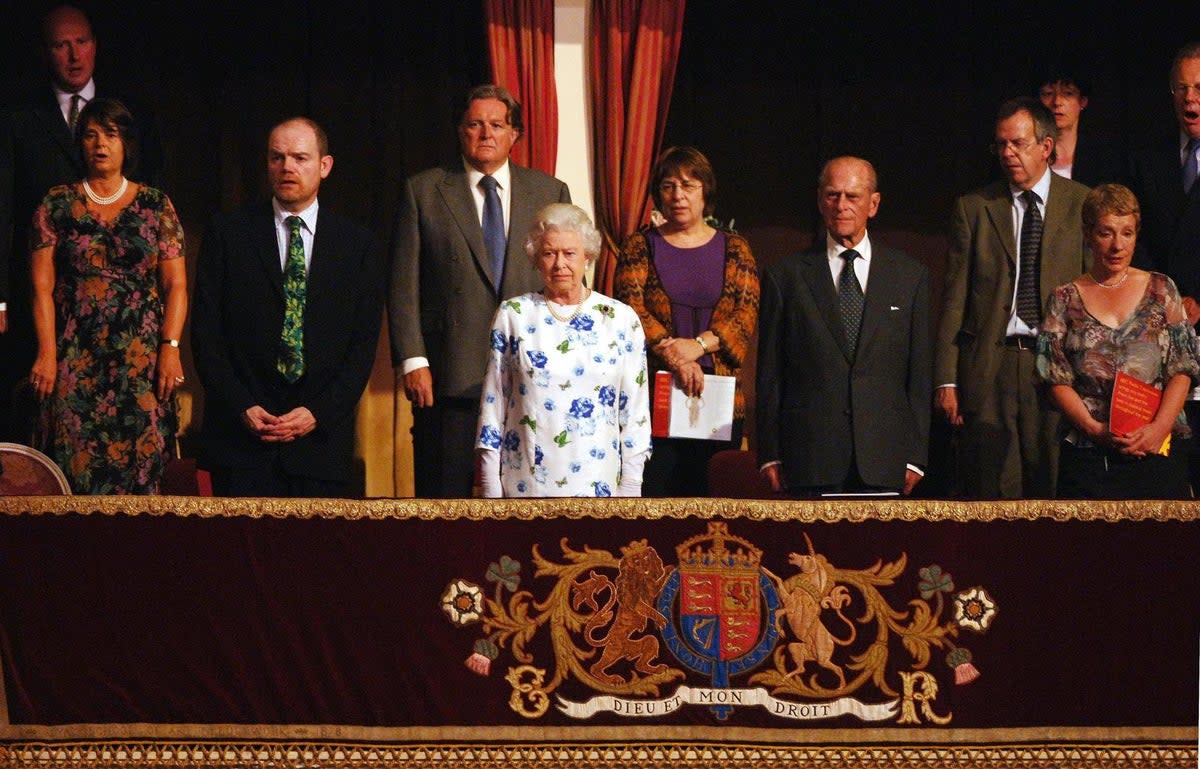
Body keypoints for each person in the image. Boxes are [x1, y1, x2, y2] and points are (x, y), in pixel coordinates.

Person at [388, 85, 571, 498]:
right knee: (443, 498)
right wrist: (413, 360)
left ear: (514, 135)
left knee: (523, 500)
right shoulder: (425, 191)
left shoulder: (549, 192)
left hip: (529, 375)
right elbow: (403, 284)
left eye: (496, 125)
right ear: (461, 131)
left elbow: (563, 282)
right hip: (449, 373)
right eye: (475, 124)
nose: (485, 133)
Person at [191, 117, 381, 498]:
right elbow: (206, 335)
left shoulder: (358, 245)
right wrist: (242, 406)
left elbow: (361, 348)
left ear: (324, 166)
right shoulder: (228, 234)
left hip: (320, 446)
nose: (287, 167)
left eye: (299, 157)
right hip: (241, 443)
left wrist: (317, 413)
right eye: (277, 158)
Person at [0, 4, 163, 442]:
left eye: (82, 43)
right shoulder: (17, 116)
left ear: (96, 45)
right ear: (44, 52)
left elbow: (153, 216)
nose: (74, 55)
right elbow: (4, 210)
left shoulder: (134, 112)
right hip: (47, 299)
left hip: (124, 314)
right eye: (61, 45)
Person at [935, 98, 1090, 498]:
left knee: (1052, 489)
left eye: (1017, 143)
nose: (1007, 153)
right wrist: (947, 379)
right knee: (991, 494)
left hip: (1057, 369)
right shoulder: (975, 208)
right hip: (992, 364)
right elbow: (955, 299)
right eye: (1001, 144)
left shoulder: (1083, 204)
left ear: (1046, 146)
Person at [27, 98, 184, 494]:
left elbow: (176, 285)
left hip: (141, 361)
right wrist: (47, 353)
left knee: (144, 467)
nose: (100, 144)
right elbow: (41, 288)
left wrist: (170, 347)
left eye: (110, 135)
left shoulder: (155, 205)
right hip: (77, 357)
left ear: (126, 143)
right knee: (77, 469)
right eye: (91, 134)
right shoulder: (56, 203)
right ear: (80, 143)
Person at [756, 156, 931, 496]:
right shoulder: (785, 277)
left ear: (873, 204)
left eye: (852, 197)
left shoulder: (910, 276)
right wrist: (769, 454)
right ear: (820, 200)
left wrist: (916, 456)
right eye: (832, 195)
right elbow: (770, 374)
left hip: (885, 458)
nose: (841, 206)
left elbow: (919, 374)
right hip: (808, 459)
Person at [476, 203, 651, 497]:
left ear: (588, 257)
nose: (560, 264)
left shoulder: (620, 319)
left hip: (599, 488)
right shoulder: (514, 315)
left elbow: (634, 414)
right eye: (549, 253)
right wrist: (490, 487)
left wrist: (631, 487)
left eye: (569, 253)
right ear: (536, 259)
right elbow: (493, 406)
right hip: (526, 486)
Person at [1037, 184, 1200, 498]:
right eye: (1106, 233)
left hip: (1156, 451)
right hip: (1088, 458)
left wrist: (1158, 429)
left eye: (1127, 233)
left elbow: (1183, 368)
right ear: (1087, 234)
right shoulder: (1063, 298)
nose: (1117, 246)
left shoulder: (1162, 290)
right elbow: (1053, 376)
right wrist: (1094, 429)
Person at [613, 146, 758, 496]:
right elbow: (630, 309)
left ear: (705, 191)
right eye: (668, 186)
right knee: (659, 496)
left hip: (720, 399)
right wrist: (677, 359)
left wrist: (698, 346)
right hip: (655, 396)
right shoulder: (639, 246)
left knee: (715, 497)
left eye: (688, 185)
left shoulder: (735, 248)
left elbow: (746, 311)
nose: (678, 195)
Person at [1127, 42, 1200, 491]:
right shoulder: (1146, 159)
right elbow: (1133, 240)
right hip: (1160, 326)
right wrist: (1170, 300)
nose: (1191, 99)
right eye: (1183, 88)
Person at [1034, 68, 1122, 187]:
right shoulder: (1028, 152)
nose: (1057, 102)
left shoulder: (1103, 158)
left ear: (1083, 101)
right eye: (1048, 93)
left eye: (1068, 94)